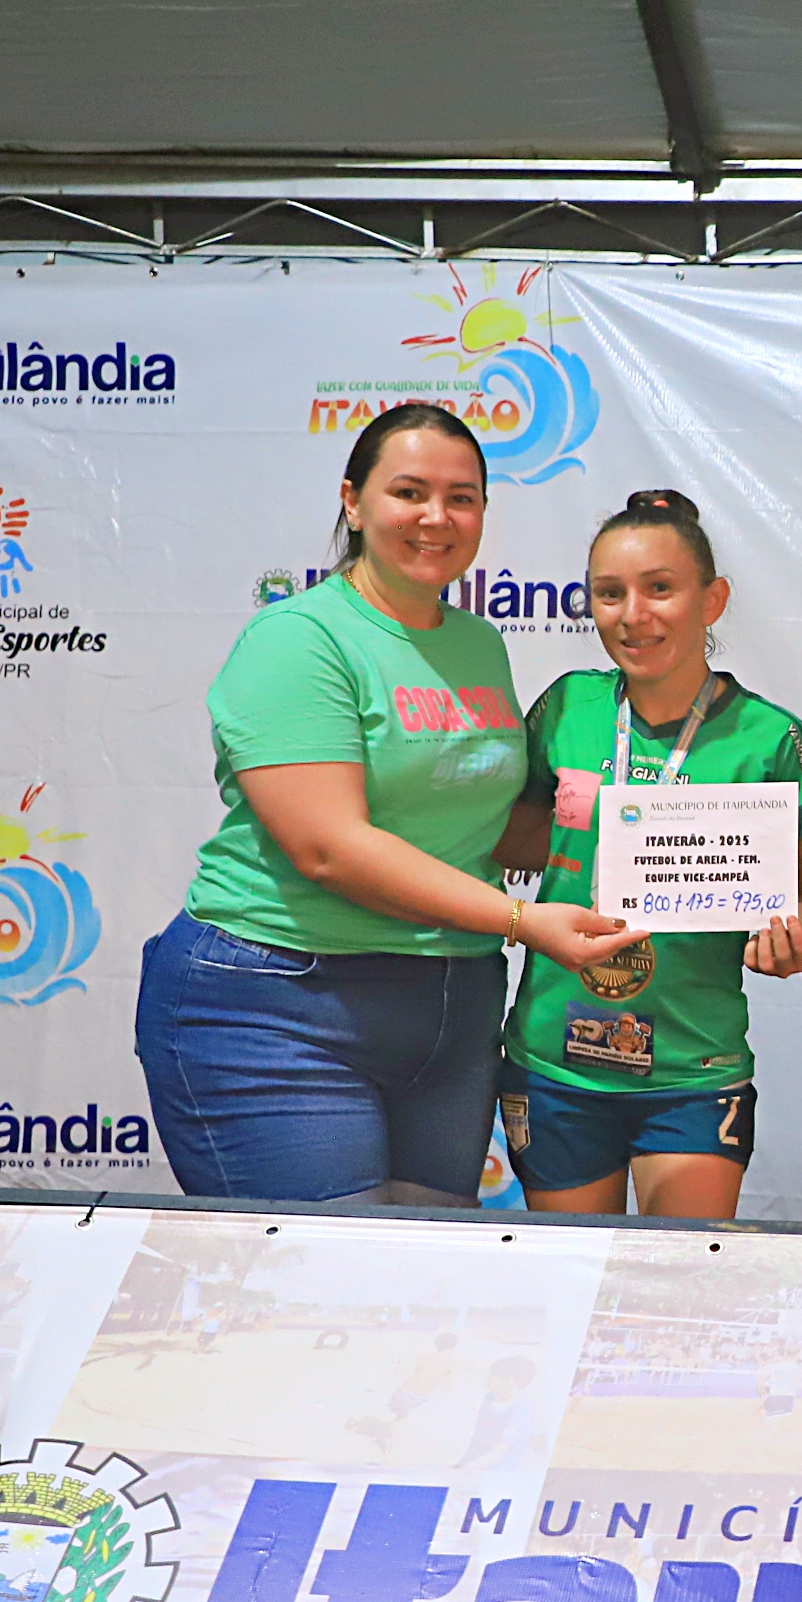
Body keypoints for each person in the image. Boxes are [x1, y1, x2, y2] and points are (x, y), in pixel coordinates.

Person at [136, 404, 636, 1205]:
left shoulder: (477, 643)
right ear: (353, 501)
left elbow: (487, 825)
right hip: (284, 1003)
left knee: (424, 1271)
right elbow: (330, 848)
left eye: (462, 498)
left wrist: (668, 845)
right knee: (318, 1269)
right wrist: (522, 921)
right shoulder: (299, 639)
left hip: (452, 1007)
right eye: (409, 492)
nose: (437, 517)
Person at [493, 490, 802, 1218]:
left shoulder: (772, 738)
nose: (632, 615)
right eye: (610, 593)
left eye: (660, 588)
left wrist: (787, 938)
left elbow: (787, 899)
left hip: (691, 1069)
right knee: (574, 1276)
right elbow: (511, 842)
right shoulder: (567, 707)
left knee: (680, 1276)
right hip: (555, 1058)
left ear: (713, 599)